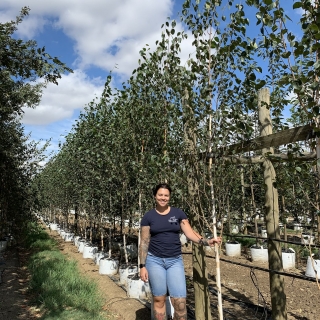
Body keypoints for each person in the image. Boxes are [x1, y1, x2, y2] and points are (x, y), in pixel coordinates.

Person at [139, 183, 221, 320]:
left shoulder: (178, 213)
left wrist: (206, 241)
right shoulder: (148, 217)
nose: (163, 198)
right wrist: (142, 266)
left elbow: (189, 233)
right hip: (154, 261)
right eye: (160, 195)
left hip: (174, 261)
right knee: (159, 299)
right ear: (155, 196)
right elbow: (144, 242)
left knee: (180, 303)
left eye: (166, 195)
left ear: (169, 197)